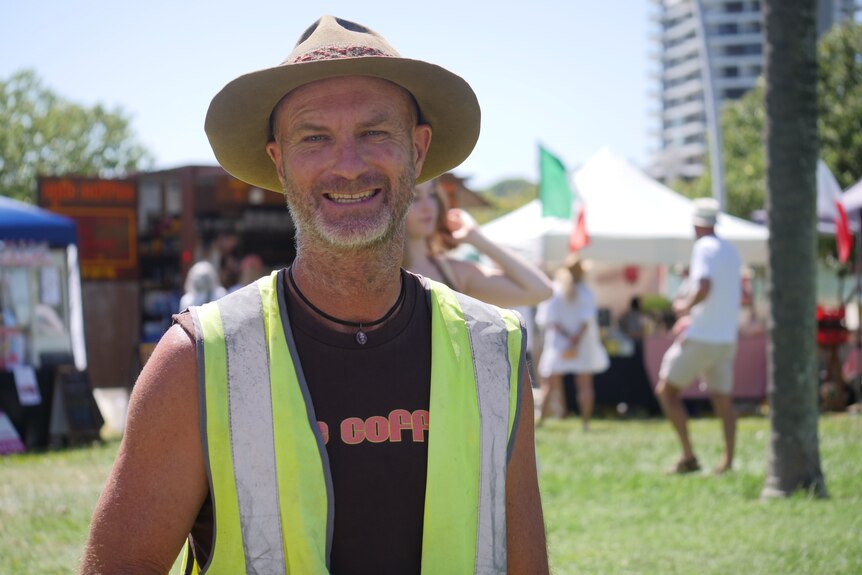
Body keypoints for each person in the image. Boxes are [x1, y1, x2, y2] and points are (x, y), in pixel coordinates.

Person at [81, 15, 548, 574]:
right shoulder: (197, 362)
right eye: (314, 138)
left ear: (418, 150)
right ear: (279, 162)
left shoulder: (493, 352)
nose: (347, 166)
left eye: (375, 132)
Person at [655, 198, 742, 475]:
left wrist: (684, 306)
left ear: (696, 224)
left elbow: (704, 286)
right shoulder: (731, 250)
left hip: (702, 335)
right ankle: (727, 460)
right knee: (723, 401)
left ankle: (689, 456)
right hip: (726, 338)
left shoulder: (703, 247)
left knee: (666, 392)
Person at [403, 178, 553, 308]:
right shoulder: (382, 273)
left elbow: (540, 291)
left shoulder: (453, 272)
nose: (428, 206)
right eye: (415, 197)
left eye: (432, 194)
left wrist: (475, 237)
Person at [537, 254, 609, 429]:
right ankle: (585, 422)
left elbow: (547, 319)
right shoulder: (586, 292)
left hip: (560, 343)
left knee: (549, 385)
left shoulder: (554, 290)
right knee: (584, 384)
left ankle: (540, 422)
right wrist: (574, 339)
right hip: (580, 343)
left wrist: (568, 338)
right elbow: (587, 320)